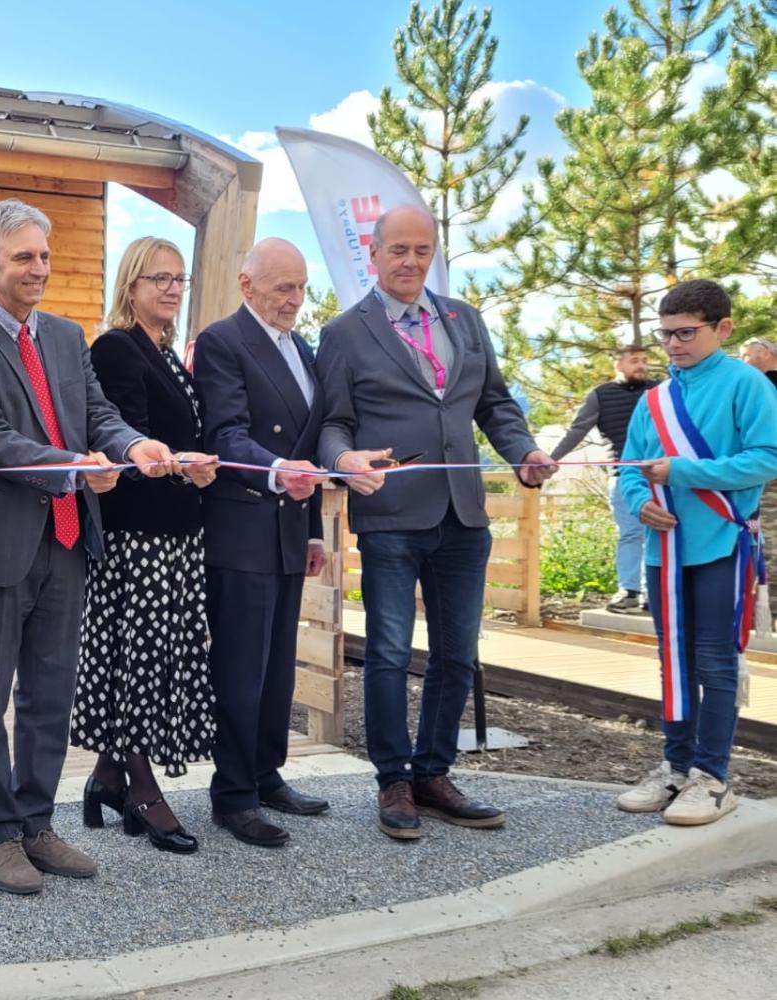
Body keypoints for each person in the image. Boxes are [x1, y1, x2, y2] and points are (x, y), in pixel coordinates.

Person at [0, 198, 182, 895]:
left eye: (43, 255)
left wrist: (133, 443)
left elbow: (96, 413)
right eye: (22, 257)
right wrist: (74, 467)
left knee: (49, 694)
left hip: (69, 540)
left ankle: (36, 822)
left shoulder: (69, 339)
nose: (38, 267)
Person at [315, 205, 557, 841]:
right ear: (374, 252)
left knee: (458, 652)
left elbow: (495, 404)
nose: (410, 262)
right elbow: (332, 423)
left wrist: (524, 453)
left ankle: (434, 773)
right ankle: (392, 778)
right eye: (398, 250)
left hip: (464, 515)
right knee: (390, 652)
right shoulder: (344, 333)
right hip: (393, 515)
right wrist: (341, 460)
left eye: (422, 251)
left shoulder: (465, 320)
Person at [71, 237, 217, 855]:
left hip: (178, 536)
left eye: (178, 279)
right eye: (158, 277)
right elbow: (122, 434)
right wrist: (180, 464)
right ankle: (141, 788)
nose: (171, 288)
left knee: (160, 660)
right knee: (140, 665)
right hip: (138, 537)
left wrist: (193, 467)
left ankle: (107, 776)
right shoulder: (116, 347)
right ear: (130, 284)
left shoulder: (168, 354)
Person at [616, 280, 777, 825]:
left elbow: (765, 459)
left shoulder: (747, 384)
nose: (673, 345)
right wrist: (640, 503)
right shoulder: (654, 399)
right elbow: (632, 468)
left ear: (723, 329)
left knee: (713, 660)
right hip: (665, 550)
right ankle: (676, 767)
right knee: (674, 661)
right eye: (665, 335)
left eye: (686, 332)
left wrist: (684, 471)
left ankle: (713, 778)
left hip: (720, 544)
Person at [191, 238, 333, 849]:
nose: (295, 299)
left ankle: (267, 773)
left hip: (288, 529)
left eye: (300, 287)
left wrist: (315, 529)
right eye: (283, 287)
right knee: (241, 669)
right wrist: (277, 471)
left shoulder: (301, 346)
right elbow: (226, 434)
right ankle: (233, 794)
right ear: (247, 285)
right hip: (243, 527)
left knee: (277, 669)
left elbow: (312, 443)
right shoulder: (224, 342)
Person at [550, 345, 660, 614]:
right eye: (635, 361)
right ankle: (630, 591)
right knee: (630, 534)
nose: (641, 366)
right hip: (624, 475)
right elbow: (577, 430)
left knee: (659, 534)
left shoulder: (661, 390)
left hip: (662, 474)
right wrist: (551, 459)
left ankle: (655, 593)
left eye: (645, 361)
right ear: (618, 365)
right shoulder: (601, 395)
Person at [737, 337, 777, 622]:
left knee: (769, 543)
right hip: (763, 473)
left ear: (765, 353)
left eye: (745, 355)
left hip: (768, 477)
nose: (742, 362)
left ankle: (769, 609)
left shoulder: (760, 388)